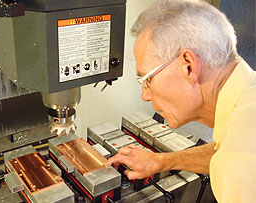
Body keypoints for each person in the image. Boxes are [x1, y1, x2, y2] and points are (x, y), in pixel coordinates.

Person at [106, 0, 256, 202]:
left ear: (189, 67)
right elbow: (221, 149)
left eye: (147, 79)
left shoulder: (239, 166)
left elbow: (232, 157)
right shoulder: (247, 101)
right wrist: (161, 161)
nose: (145, 95)